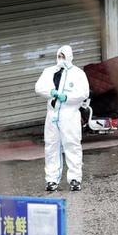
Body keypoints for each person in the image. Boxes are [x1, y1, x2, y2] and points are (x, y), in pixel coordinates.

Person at [35, 45, 90, 192]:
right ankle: (51, 180)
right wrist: (51, 92)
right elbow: (39, 87)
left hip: (69, 116)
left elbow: (84, 93)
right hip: (52, 116)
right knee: (51, 147)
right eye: (59, 56)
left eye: (63, 56)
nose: (61, 59)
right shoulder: (49, 72)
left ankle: (75, 179)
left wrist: (67, 97)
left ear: (70, 57)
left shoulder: (78, 74)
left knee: (72, 146)